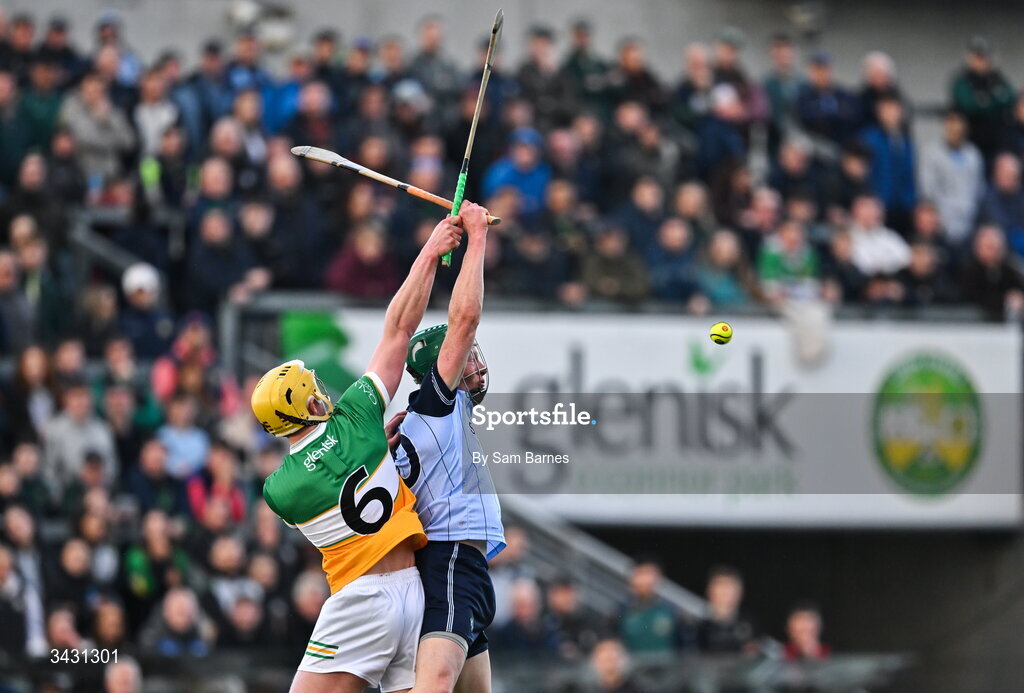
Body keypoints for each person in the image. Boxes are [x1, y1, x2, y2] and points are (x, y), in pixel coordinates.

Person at [250, 209, 465, 693]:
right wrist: (431, 250)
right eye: (314, 387)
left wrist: (373, 458)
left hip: (360, 596)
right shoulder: (358, 417)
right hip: (413, 589)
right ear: (309, 402)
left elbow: (329, 477)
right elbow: (398, 328)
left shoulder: (278, 489)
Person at [392, 203, 504, 693]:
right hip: (450, 562)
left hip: (468, 570)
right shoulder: (437, 403)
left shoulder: (434, 415)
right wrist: (476, 238)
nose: (475, 367)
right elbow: (465, 316)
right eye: (466, 358)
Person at [919, 110, 984, 244]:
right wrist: (938, 216)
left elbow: (978, 187)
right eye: (952, 126)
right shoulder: (931, 152)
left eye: (959, 128)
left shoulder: (973, 154)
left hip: (968, 217)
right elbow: (928, 188)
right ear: (945, 127)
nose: (956, 131)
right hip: (941, 219)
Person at [696, 565, 758, 654]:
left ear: (740, 591)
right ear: (710, 591)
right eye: (720, 585)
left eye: (729, 586)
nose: (724, 591)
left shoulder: (750, 623)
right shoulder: (698, 628)